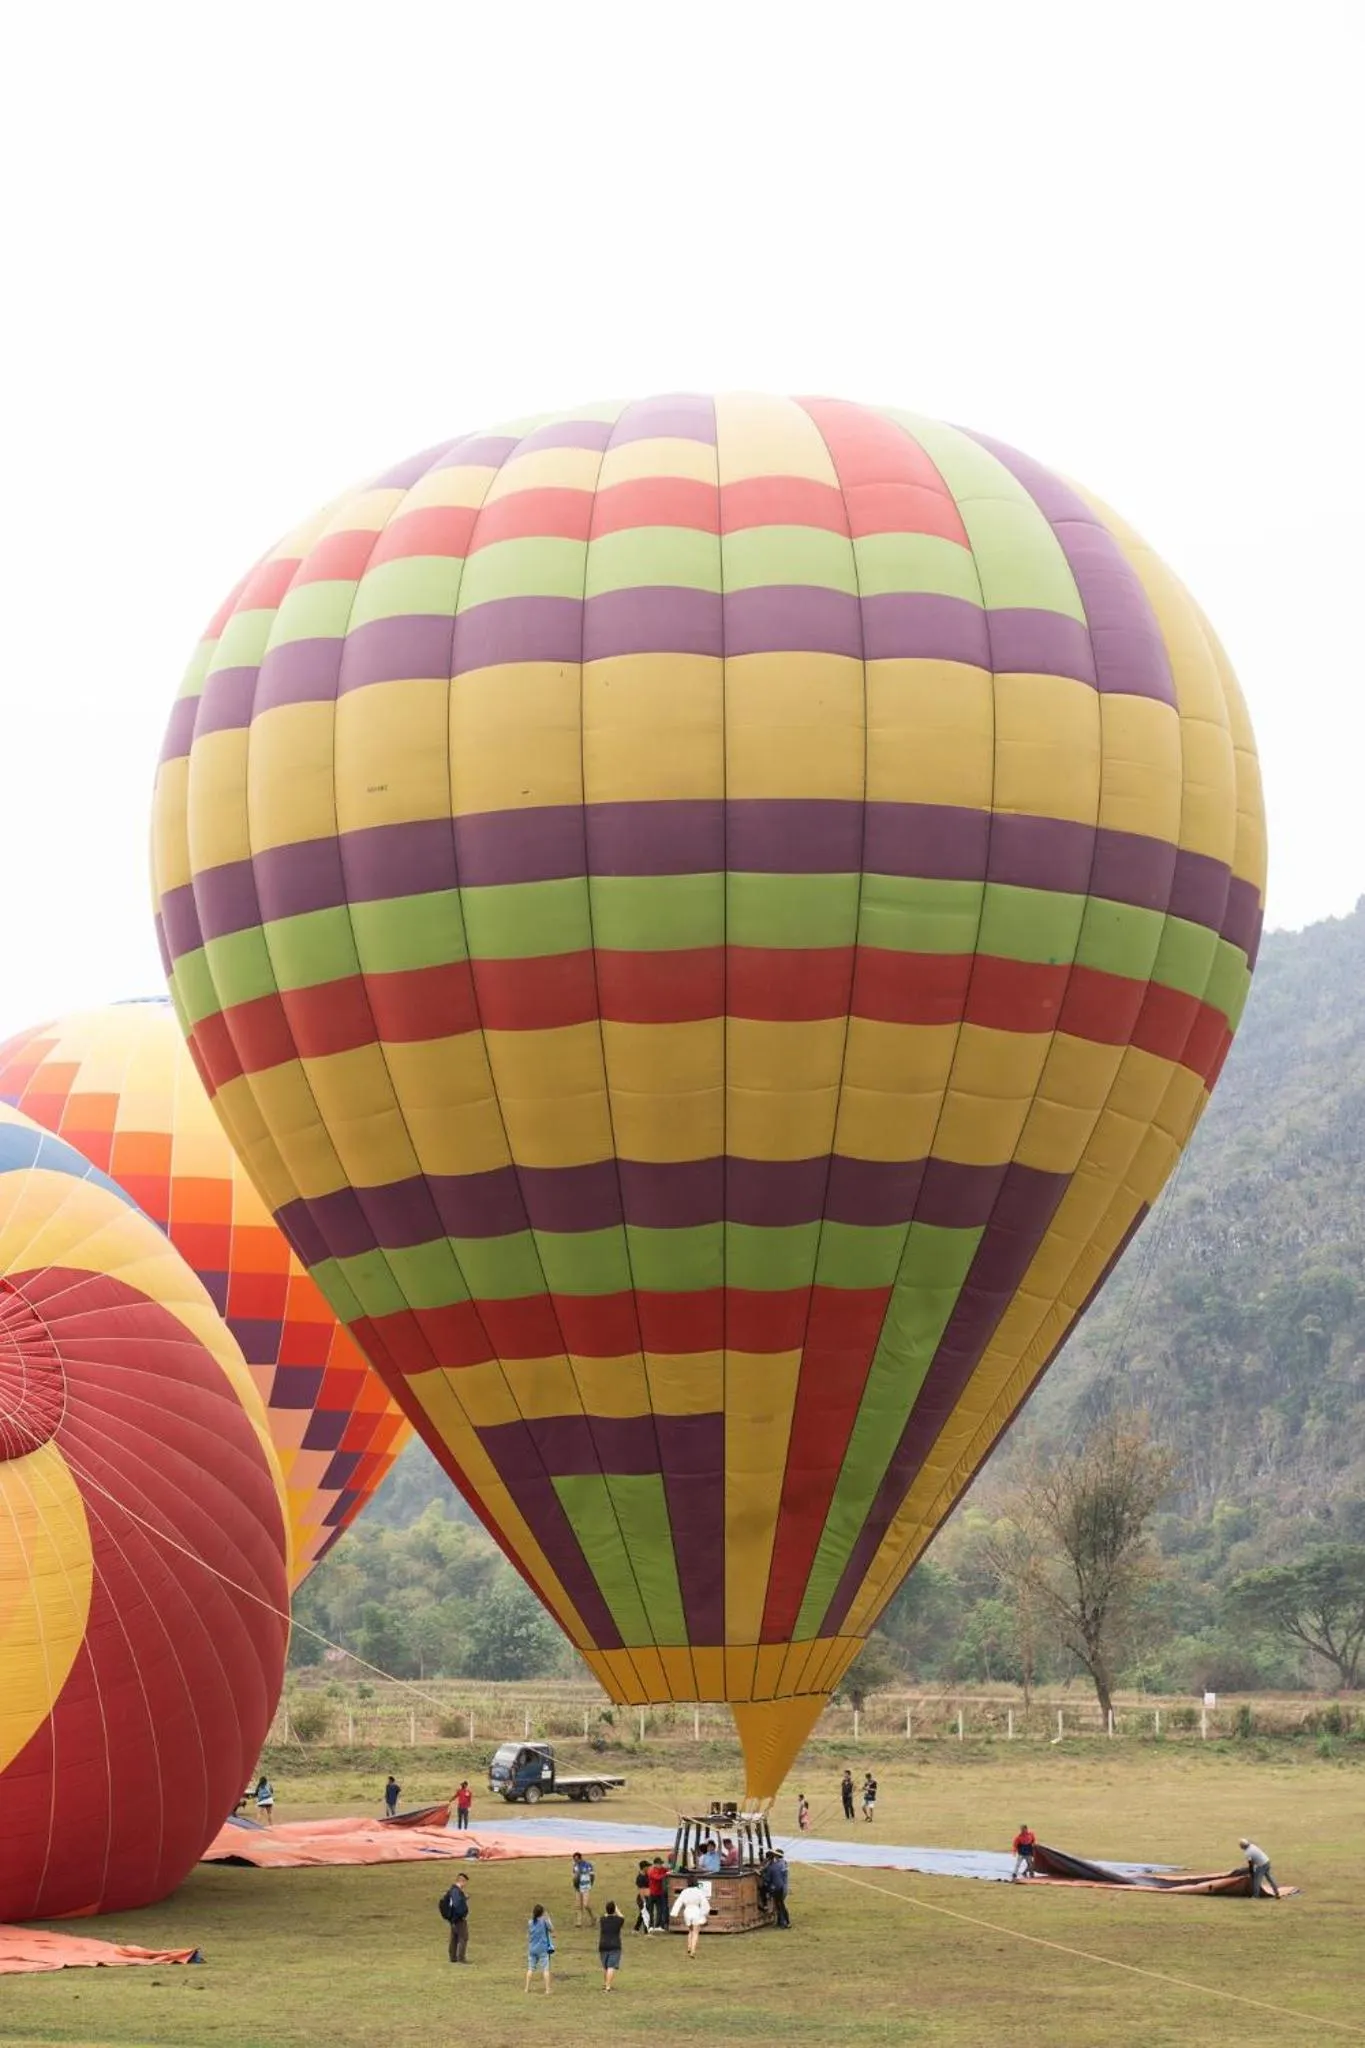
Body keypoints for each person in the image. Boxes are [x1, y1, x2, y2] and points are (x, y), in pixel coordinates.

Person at [670, 1876, 711, 1956]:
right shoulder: (699, 1891)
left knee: (690, 1930)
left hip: (687, 1911)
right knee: (695, 1932)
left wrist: (674, 1913)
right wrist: (705, 1912)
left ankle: (689, 1947)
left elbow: (678, 1902)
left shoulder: (684, 1892)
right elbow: (704, 1903)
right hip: (696, 1911)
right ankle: (693, 1951)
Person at [525, 1904, 554, 1993]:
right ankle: (547, 1989)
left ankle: (526, 1988)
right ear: (542, 1913)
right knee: (545, 1969)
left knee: (530, 1969)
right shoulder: (544, 1921)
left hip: (532, 1948)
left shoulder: (530, 1922)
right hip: (542, 1948)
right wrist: (548, 1918)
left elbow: (529, 1935)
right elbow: (552, 1929)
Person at [598, 1897, 625, 1990]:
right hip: (615, 1945)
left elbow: (605, 1915)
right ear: (614, 1910)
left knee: (605, 1966)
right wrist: (616, 1910)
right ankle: (608, 1987)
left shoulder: (602, 1920)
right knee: (611, 1966)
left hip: (603, 1945)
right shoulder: (618, 1921)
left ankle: (605, 1983)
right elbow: (622, 1916)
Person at [442, 1873, 470, 1962]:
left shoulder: (452, 1890)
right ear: (462, 1881)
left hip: (453, 1918)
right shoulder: (456, 1891)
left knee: (454, 1937)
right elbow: (457, 1904)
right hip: (458, 1918)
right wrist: (461, 1915)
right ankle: (461, 1958)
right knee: (463, 1937)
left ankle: (453, 1957)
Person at [767, 1848, 791, 1929]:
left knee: (779, 1905)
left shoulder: (773, 1867)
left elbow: (768, 1878)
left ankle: (784, 1922)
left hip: (778, 1888)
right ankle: (782, 1921)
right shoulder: (784, 1863)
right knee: (781, 1905)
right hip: (785, 1886)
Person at [571, 1851, 596, 1926]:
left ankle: (593, 1917)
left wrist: (590, 1884)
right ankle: (579, 1922)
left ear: (580, 1858)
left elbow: (592, 1876)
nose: (575, 1861)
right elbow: (574, 1877)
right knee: (578, 1905)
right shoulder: (575, 1866)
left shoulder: (588, 1865)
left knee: (586, 1905)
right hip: (578, 1887)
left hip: (585, 1887)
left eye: (576, 1859)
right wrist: (575, 1885)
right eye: (574, 1860)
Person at [646, 1855, 669, 1929]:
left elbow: (667, 1870)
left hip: (659, 1893)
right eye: (659, 1864)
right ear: (655, 1864)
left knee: (660, 1910)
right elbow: (658, 1878)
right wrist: (666, 1874)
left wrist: (669, 1871)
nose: (661, 1865)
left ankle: (658, 1925)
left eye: (661, 1864)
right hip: (652, 1894)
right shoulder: (651, 1871)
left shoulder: (662, 1869)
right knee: (651, 1911)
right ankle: (650, 1925)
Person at [633, 1860, 653, 1933]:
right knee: (646, 1914)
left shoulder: (646, 1875)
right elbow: (641, 1890)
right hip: (643, 1898)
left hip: (647, 1897)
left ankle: (636, 1929)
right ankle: (646, 1931)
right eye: (647, 1866)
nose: (649, 1868)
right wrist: (644, 1900)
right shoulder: (640, 1878)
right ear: (644, 1867)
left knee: (642, 1914)